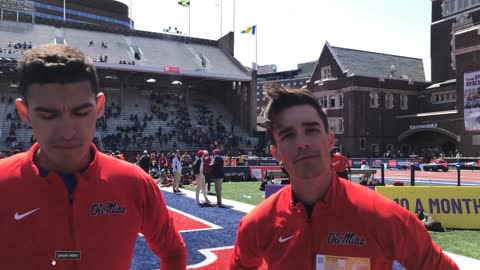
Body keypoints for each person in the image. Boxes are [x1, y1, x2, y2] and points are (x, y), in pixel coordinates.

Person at [228, 84, 458, 270]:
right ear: (275, 152)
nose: (302, 142)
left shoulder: (386, 218)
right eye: (288, 135)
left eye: (311, 130)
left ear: (330, 140)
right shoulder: (257, 223)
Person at [0, 44, 187, 270]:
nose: (67, 132)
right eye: (48, 115)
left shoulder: (135, 183)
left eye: (81, 113)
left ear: (99, 107)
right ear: (24, 113)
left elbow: (173, 252)